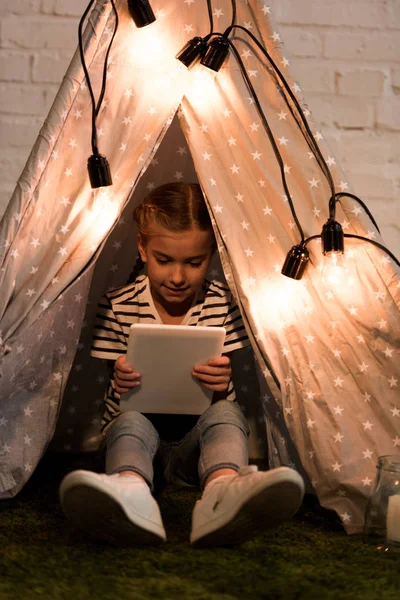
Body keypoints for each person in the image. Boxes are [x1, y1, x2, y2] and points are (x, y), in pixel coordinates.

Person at [59, 182, 304, 547]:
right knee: (128, 421)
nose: (177, 277)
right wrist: (121, 379)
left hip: (197, 451)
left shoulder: (223, 302)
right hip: (138, 448)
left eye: (194, 262)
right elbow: (114, 393)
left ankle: (222, 491)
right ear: (142, 248)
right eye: (164, 260)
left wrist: (220, 383)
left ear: (212, 255)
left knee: (227, 415)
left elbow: (222, 398)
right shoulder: (116, 304)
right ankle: (131, 489)